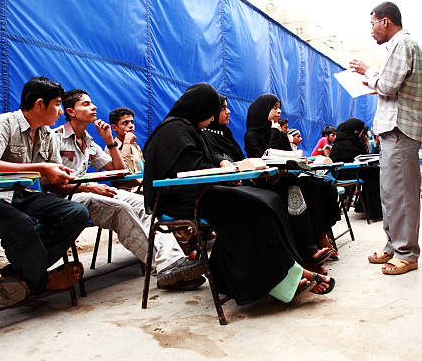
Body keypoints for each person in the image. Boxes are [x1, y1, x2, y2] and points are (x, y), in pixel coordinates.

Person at [143, 83, 334, 304]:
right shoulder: (173, 130)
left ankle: (291, 268)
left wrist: (228, 166)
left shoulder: (189, 129)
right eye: (212, 110)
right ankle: (284, 279)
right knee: (252, 206)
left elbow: (205, 162)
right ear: (202, 108)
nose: (214, 116)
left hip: (200, 192)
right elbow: (190, 172)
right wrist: (231, 171)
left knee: (269, 199)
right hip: (181, 200)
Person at [51, 89, 206, 290]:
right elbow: (51, 185)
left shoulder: (89, 141)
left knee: (145, 204)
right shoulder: (55, 138)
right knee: (120, 208)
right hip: (68, 198)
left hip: (90, 191)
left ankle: (174, 261)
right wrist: (89, 187)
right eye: (87, 104)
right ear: (71, 112)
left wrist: (109, 142)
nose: (94, 107)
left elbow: (119, 170)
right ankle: (165, 268)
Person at [0, 76, 89, 302]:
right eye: (57, 104)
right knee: (23, 224)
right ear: (39, 104)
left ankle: (21, 275)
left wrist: (70, 179)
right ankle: (41, 282)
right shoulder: (1, 123)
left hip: (21, 196)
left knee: (76, 212)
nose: (60, 112)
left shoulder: (48, 135)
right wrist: (41, 167)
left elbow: (51, 180)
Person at [350, 1, 422, 275]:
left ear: (385, 21)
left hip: (400, 130)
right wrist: (375, 81)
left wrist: (368, 72)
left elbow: (388, 85)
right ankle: (394, 245)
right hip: (393, 130)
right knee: (391, 193)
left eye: (372, 23)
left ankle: (407, 253)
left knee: (402, 193)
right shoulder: (400, 46)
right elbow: (391, 88)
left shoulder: (401, 44)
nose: (371, 30)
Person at [244, 93, 340, 263]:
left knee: (318, 184)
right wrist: (274, 131)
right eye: (274, 107)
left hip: (287, 176)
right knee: (297, 185)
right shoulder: (252, 135)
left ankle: (321, 235)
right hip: (267, 183)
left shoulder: (280, 134)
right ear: (263, 110)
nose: (279, 111)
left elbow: (289, 157)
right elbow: (264, 159)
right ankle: (309, 247)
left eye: (279, 107)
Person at [330, 118, 383, 220]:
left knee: (374, 171)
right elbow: (356, 157)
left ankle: (368, 206)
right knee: (374, 173)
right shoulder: (344, 144)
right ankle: (374, 210)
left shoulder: (351, 141)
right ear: (355, 131)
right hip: (342, 173)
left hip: (352, 170)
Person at [106, 107, 143, 191]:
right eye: (125, 123)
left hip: (143, 189)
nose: (131, 126)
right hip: (127, 193)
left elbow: (144, 171)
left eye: (132, 122)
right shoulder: (111, 148)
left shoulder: (135, 146)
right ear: (114, 127)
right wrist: (126, 143)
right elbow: (123, 175)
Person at [201, 95, 246, 163]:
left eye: (227, 107)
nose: (228, 111)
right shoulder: (204, 135)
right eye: (223, 108)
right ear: (214, 111)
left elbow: (240, 158)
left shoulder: (226, 132)